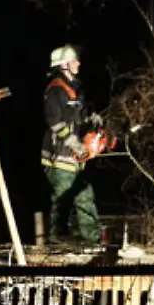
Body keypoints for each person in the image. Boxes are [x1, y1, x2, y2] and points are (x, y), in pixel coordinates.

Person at [41, 44, 104, 246]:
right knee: (63, 200)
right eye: (74, 60)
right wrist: (76, 145)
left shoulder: (74, 89)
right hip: (59, 157)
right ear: (64, 64)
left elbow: (76, 116)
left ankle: (93, 241)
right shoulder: (55, 91)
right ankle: (58, 240)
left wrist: (92, 119)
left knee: (85, 197)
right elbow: (56, 123)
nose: (78, 63)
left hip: (76, 157)